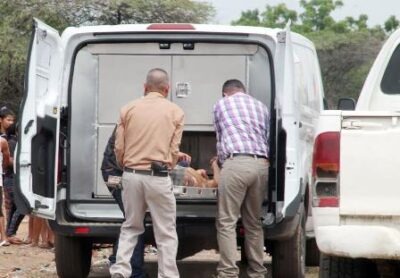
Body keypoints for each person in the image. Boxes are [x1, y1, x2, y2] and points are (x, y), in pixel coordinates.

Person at [110, 68, 187, 278]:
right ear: (167, 89)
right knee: (166, 232)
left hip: (131, 175)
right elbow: (173, 149)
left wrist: (125, 164)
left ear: (145, 87)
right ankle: (168, 275)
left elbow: (119, 146)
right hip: (158, 178)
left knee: (131, 226)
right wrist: (169, 165)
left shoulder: (128, 109)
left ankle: (120, 271)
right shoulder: (176, 112)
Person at [213, 79, 270, 278]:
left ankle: (228, 273)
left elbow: (220, 139)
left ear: (225, 93)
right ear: (243, 91)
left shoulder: (222, 104)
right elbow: (266, 136)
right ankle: (257, 272)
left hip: (236, 163)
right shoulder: (261, 107)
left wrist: (220, 164)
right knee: (253, 222)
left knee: (227, 221)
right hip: (261, 165)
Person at [101, 125, 146, 278]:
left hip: (114, 171)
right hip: (116, 173)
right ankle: (133, 272)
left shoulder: (134, 114)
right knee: (135, 220)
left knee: (132, 219)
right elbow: (121, 150)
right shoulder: (133, 117)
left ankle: (119, 261)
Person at [3, 123, 25, 244]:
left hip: (11, 178)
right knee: (21, 206)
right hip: (12, 177)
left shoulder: (15, 142)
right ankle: (10, 233)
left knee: (14, 207)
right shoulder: (12, 143)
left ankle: (9, 233)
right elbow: (9, 161)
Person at [0, 135, 10, 246]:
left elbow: (6, 161)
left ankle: (3, 237)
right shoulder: (2, 141)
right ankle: (3, 237)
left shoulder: (2, 141)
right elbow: (6, 161)